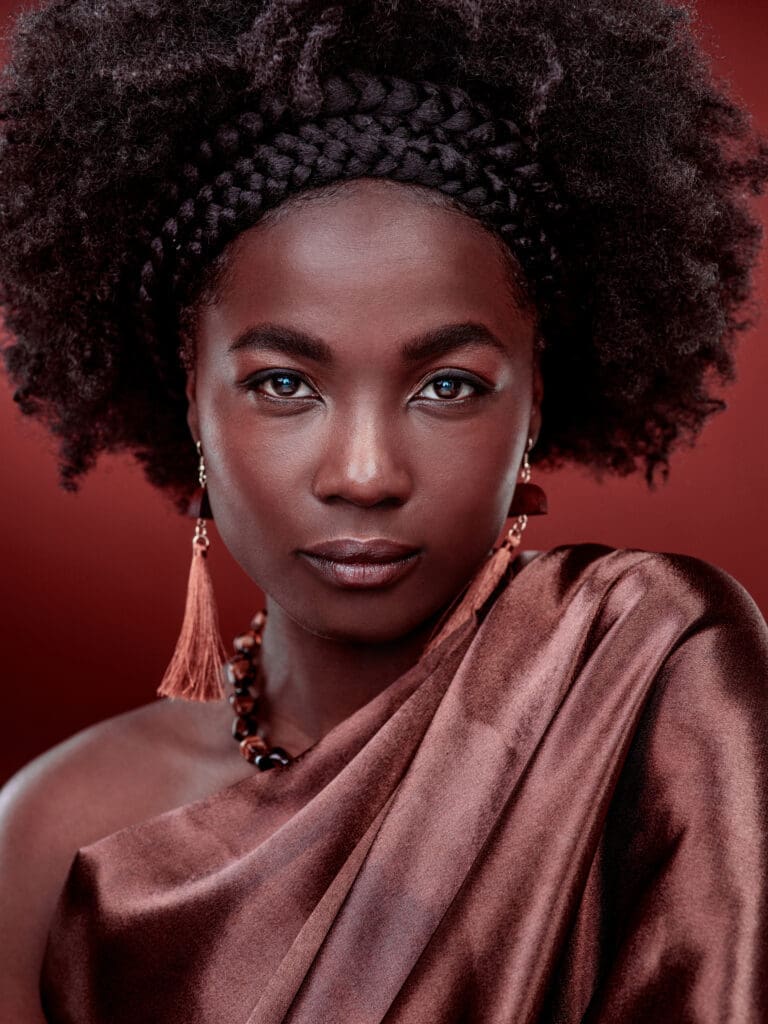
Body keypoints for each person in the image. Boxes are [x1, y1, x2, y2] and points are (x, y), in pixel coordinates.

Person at [0, 0, 767, 1020]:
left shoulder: (651, 670)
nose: (365, 472)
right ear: (189, 392)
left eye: (447, 385)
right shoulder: (49, 840)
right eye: (284, 384)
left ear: (537, 396)